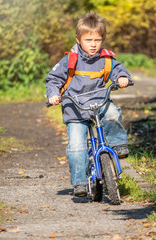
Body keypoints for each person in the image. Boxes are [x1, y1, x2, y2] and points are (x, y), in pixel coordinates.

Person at [46, 12, 132, 197]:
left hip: (99, 102)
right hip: (75, 109)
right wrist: (53, 94)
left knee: (112, 113)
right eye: (88, 40)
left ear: (103, 39)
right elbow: (53, 80)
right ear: (78, 39)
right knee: (77, 146)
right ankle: (79, 182)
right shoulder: (70, 60)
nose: (93, 44)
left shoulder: (105, 58)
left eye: (98, 40)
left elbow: (118, 69)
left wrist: (122, 77)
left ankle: (118, 144)